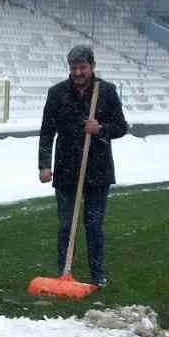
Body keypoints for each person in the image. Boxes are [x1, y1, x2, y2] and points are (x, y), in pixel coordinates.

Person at [37, 44, 128, 286]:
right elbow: (47, 131)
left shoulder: (106, 92)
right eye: (73, 68)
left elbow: (121, 127)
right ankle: (63, 272)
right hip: (66, 169)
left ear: (92, 66)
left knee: (93, 225)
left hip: (97, 171)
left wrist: (100, 129)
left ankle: (97, 275)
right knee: (67, 225)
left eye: (82, 67)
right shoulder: (57, 93)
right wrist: (44, 165)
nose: (78, 72)